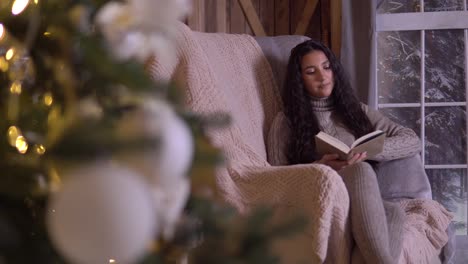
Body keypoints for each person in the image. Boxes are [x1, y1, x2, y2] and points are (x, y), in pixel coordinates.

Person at [268, 39, 422, 263]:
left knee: (393, 212)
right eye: (311, 72)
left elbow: (412, 140)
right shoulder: (285, 122)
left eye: (327, 67)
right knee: (359, 171)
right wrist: (320, 168)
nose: (323, 76)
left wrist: (370, 152)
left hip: (362, 204)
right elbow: (276, 179)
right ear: (299, 80)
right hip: (322, 203)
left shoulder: (356, 110)